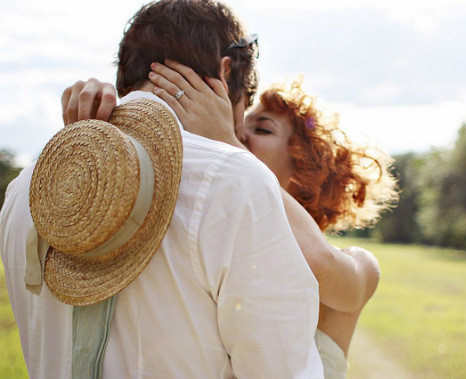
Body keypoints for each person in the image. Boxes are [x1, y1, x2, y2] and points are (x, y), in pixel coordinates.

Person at [0, 1, 324, 378]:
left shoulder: (24, 191)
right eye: (247, 102)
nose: (239, 134)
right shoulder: (235, 180)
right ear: (226, 70)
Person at [63, 63, 398, 378]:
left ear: (304, 169)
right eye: (242, 123)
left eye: (262, 129)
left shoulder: (359, 265)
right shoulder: (226, 235)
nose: (237, 129)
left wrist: (228, 143)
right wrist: (108, 120)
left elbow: (319, 262)